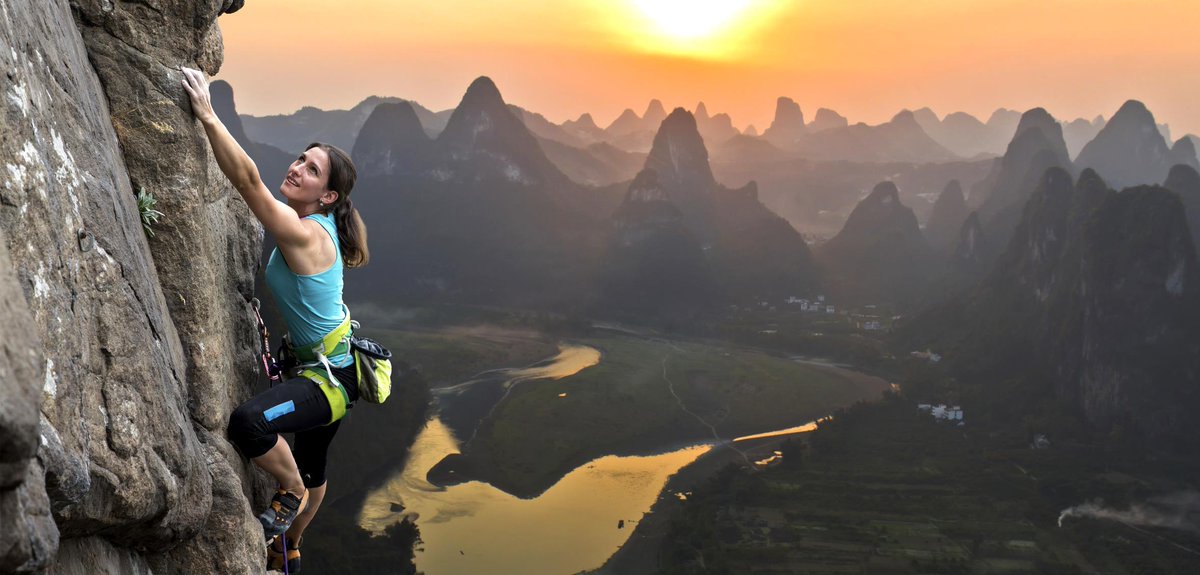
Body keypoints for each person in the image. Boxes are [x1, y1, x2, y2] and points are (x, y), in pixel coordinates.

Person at [181, 66, 369, 572]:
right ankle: (293, 543)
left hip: (326, 383)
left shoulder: (306, 233)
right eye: (300, 159)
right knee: (316, 464)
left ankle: (288, 494)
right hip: (338, 370)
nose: (296, 169)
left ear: (327, 196)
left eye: (311, 171)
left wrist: (206, 114)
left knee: (249, 425)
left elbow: (247, 181)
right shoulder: (321, 223)